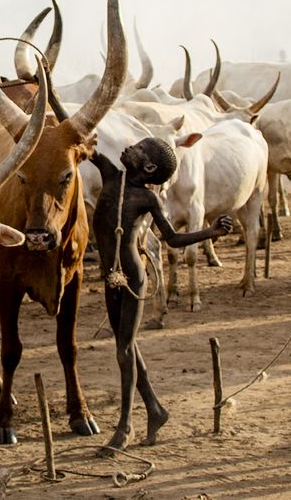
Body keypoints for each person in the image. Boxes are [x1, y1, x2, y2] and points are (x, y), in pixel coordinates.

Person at [90, 137, 232, 453]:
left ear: (149, 166)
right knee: (125, 346)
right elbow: (85, 145)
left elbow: (173, 239)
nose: (129, 147)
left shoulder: (146, 199)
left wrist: (212, 232)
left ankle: (124, 428)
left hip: (131, 278)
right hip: (111, 278)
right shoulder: (111, 175)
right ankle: (155, 410)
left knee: (124, 350)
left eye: (138, 148)